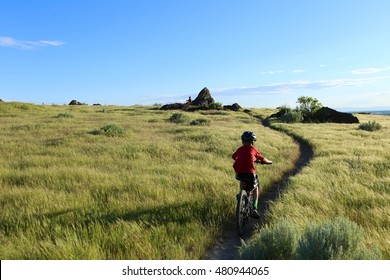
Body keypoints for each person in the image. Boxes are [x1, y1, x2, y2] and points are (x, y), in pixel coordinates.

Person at [232, 131, 272, 219]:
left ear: (242, 141)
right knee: (256, 186)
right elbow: (262, 159)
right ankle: (254, 207)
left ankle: (240, 194)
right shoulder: (253, 149)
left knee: (242, 179)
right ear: (253, 141)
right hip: (250, 173)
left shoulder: (240, 149)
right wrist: (269, 162)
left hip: (238, 172)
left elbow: (233, 156)